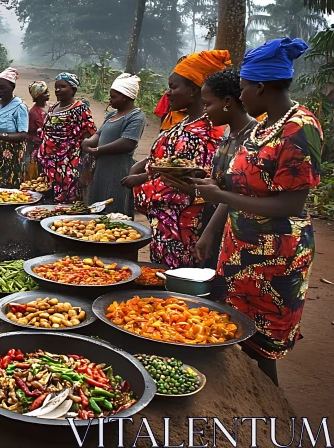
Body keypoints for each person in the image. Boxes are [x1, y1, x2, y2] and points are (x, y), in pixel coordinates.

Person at [193, 38, 320, 385]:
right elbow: (234, 189)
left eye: (245, 87)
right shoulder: (263, 127)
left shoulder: (300, 126)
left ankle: (273, 418)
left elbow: (292, 204)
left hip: (276, 257)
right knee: (237, 333)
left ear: (261, 87)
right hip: (242, 250)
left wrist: (224, 197)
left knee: (262, 346)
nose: (241, 93)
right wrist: (213, 226)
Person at [124, 50, 230, 268]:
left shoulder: (205, 132)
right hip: (165, 224)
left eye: (173, 87)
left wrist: (147, 182)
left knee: (177, 285)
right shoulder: (183, 124)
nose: (167, 94)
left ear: (193, 91)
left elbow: (198, 183)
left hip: (184, 226)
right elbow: (168, 166)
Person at [194, 69, 257, 274]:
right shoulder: (230, 133)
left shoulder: (252, 138)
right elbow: (222, 182)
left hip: (237, 227)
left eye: (208, 104)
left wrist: (209, 231)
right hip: (218, 220)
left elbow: (235, 191)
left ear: (227, 101)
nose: (205, 111)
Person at [82, 73, 146, 217]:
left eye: (113, 97)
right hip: (102, 168)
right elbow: (99, 134)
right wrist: (88, 143)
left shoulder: (136, 116)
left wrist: (98, 150)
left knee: (114, 208)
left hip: (118, 169)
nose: (110, 101)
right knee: (97, 205)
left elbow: (128, 142)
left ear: (125, 96)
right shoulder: (112, 115)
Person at [38, 73, 96, 203]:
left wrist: (82, 166)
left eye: (62, 87)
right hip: (50, 164)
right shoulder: (53, 107)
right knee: (47, 199)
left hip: (69, 164)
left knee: (67, 201)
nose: (58, 90)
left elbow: (89, 135)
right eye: (56, 87)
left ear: (73, 89)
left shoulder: (80, 109)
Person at [26, 81, 49, 180]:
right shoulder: (33, 113)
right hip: (40, 148)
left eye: (47, 91)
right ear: (37, 96)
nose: (48, 94)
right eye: (44, 92)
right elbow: (29, 133)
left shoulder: (52, 107)